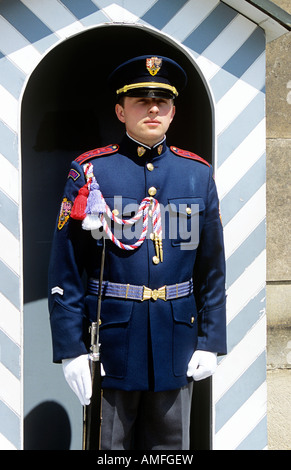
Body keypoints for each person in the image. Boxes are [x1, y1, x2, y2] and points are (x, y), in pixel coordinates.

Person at [48, 55, 227, 450]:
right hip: (112, 341)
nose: (152, 109)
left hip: (176, 338)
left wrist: (211, 339)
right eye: (140, 101)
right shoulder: (92, 171)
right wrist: (71, 348)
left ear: (173, 111)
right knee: (110, 448)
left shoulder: (196, 173)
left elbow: (212, 267)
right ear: (120, 110)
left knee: (171, 449)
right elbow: (67, 268)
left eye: (161, 102)